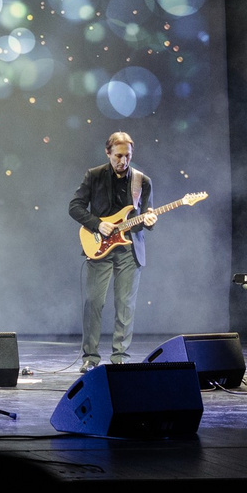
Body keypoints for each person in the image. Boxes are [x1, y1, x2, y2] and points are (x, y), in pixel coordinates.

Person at [68, 130, 155, 369]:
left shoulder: (142, 181)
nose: (123, 161)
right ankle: (90, 358)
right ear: (108, 153)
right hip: (99, 247)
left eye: (127, 155)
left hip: (129, 249)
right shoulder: (94, 176)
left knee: (125, 305)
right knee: (94, 302)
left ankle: (119, 358)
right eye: (118, 156)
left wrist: (150, 221)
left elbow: (147, 213)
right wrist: (97, 224)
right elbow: (74, 207)